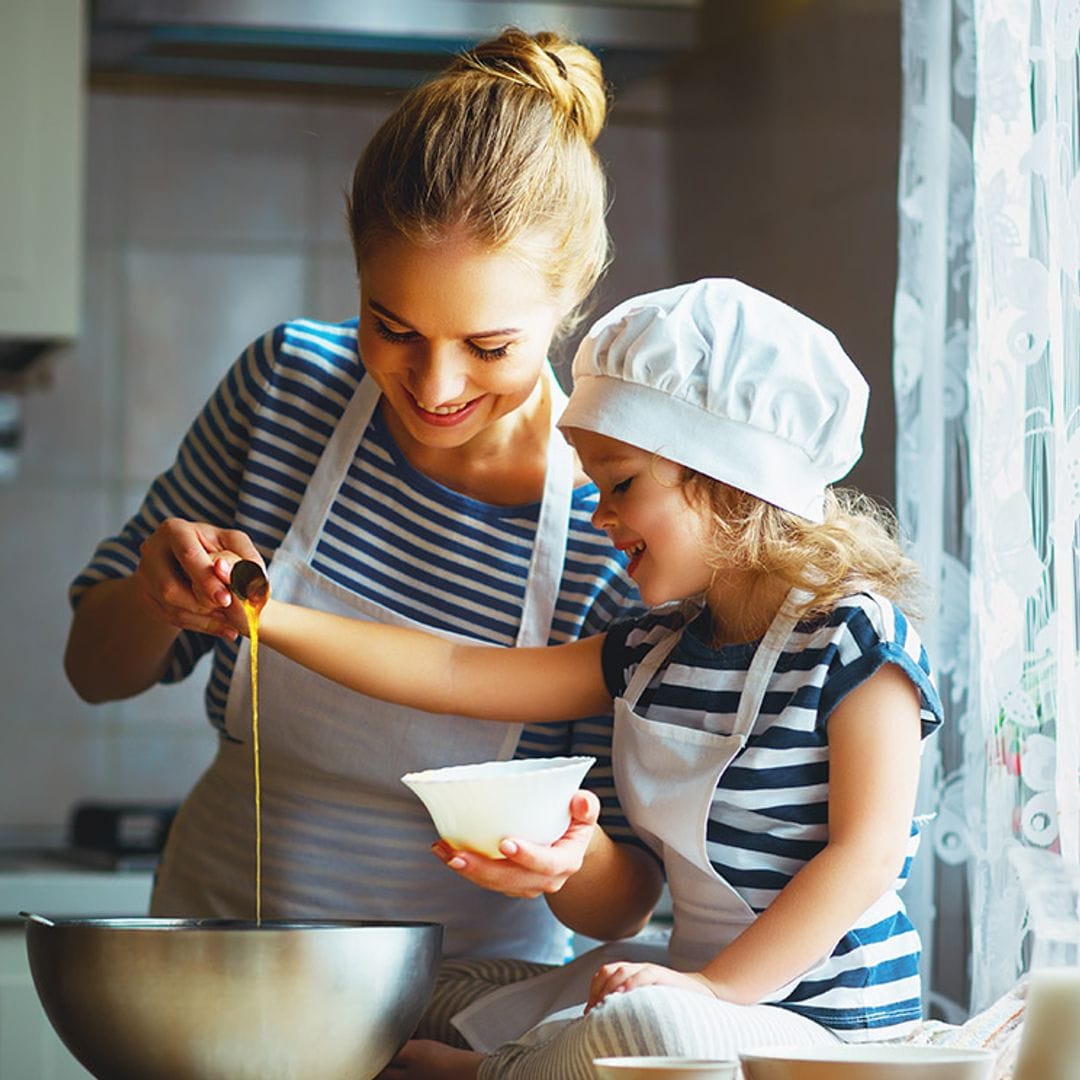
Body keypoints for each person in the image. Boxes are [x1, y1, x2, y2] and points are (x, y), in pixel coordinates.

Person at [217, 278, 944, 1078]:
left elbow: (867, 856)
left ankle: (491, 1073)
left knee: (653, 1030)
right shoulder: (657, 648)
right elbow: (457, 670)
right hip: (686, 985)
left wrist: (709, 991)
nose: (600, 514)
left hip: (823, 1032)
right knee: (439, 989)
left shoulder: (856, 637)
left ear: (732, 482)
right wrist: (264, 615)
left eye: (623, 483)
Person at [63, 27, 650, 980]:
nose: (433, 384)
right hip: (215, 968)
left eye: (490, 347)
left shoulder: (612, 514)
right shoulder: (287, 389)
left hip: (457, 1012)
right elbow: (95, 670)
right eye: (394, 326)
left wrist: (565, 861)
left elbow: (626, 898)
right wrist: (150, 594)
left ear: (571, 298)